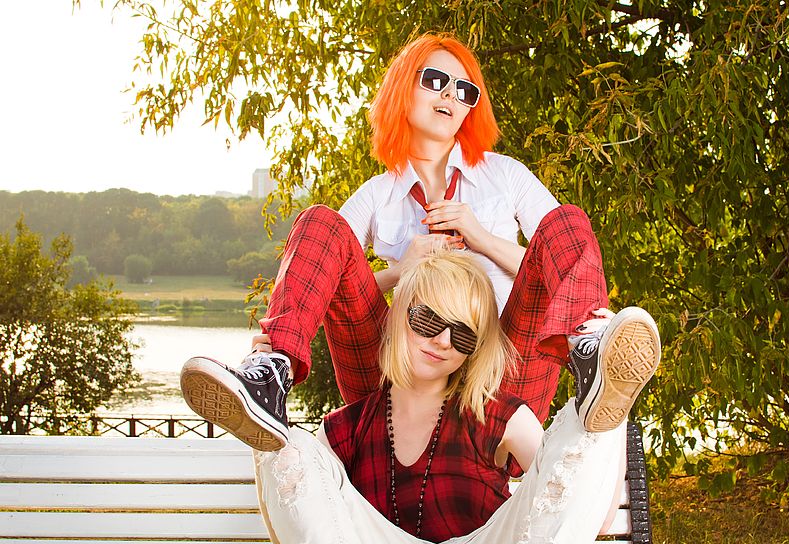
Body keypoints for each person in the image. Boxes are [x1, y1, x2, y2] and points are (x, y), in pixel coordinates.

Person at [179, 33, 661, 451]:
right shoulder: (378, 194)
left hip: (500, 372)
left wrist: (483, 239)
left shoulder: (506, 176)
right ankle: (270, 376)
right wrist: (396, 272)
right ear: (403, 88)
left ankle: (593, 356)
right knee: (319, 222)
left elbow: (562, 263)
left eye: (465, 90)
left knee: (567, 223)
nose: (451, 95)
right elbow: (325, 277)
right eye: (436, 81)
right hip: (398, 377)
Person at [251, 249, 639, 544]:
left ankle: (597, 382)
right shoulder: (344, 429)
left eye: (463, 334)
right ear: (400, 314)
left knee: (577, 433)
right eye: (428, 320)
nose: (442, 341)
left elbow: (587, 516)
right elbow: (294, 538)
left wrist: (608, 422)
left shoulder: (499, 416)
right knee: (295, 447)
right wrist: (268, 446)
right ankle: (266, 397)